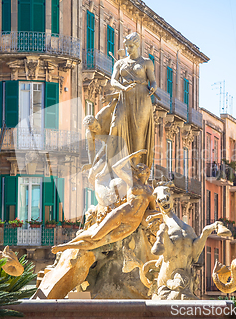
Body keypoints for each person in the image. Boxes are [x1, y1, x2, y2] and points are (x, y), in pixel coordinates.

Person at [51, 149, 155, 253]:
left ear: (148, 172)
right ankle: (66, 245)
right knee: (95, 235)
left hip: (133, 223)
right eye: (137, 168)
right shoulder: (132, 181)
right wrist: (132, 155)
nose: (139, 169)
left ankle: (66, 247)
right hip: (122, 212)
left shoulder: (151, 190)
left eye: (142, 167)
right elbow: (116, 168)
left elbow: (153, 208)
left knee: (100, 242)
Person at [103, 32, 157, 173]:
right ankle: (110, 163)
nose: (128, 49)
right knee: (116, 126)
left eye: (131, 46)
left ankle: (135, 170)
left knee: (138, 133)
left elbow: (153, 80)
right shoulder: (120, 63)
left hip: (142, 99)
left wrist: (153, 87)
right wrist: (123, 88)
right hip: (125, 98)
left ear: (138, 45)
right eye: (127, 46)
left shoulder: (146, 62)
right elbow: (113, 81)